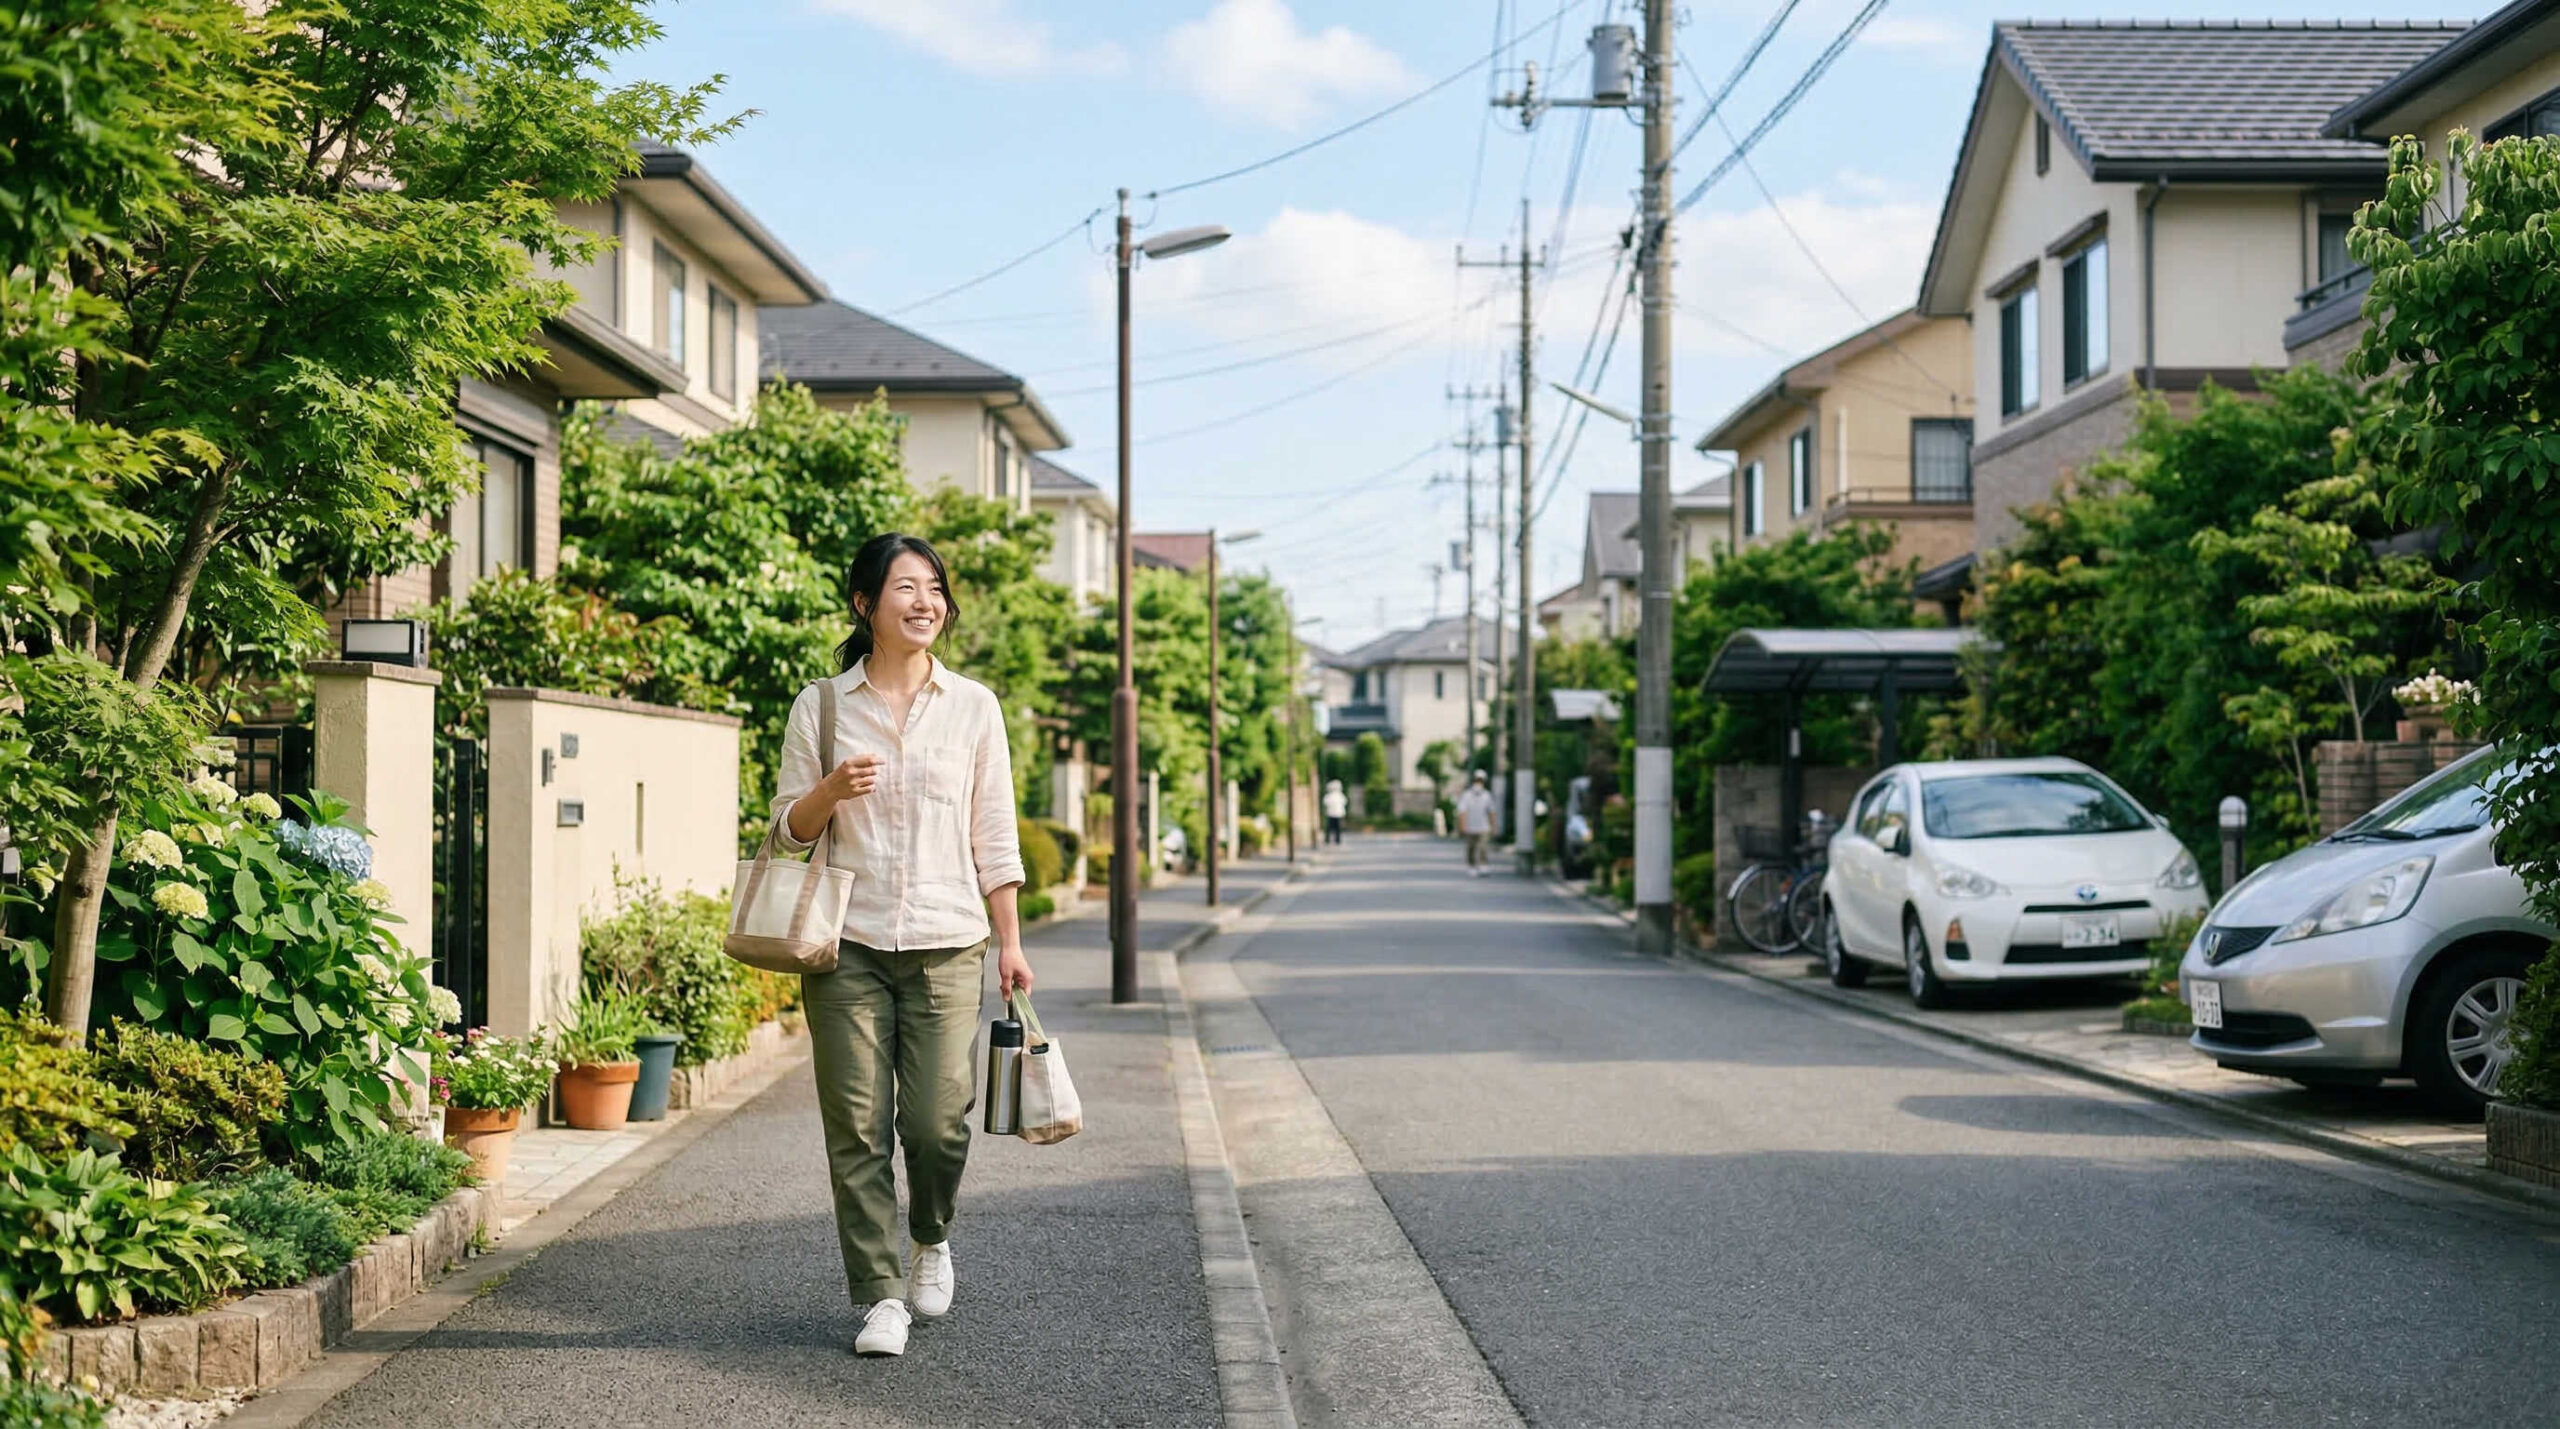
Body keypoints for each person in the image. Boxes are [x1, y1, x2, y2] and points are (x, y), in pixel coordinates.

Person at [774, 532, 1034, 1360]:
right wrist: (828, 790)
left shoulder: (974, 704)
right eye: (905, 588)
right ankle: (880, 1294)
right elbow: (786, 831)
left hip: (948, 937)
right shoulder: (821, 705)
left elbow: (993, 829)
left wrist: (1011, 942)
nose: (925, 602)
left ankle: (931, 1232)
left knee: (934, 1123)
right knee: (854, 1124)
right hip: (844, 943)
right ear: (865, 604)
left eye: (934, 588)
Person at [1454, 769, 1499, 876]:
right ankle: (1471, 866)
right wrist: (1462, 825)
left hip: (1483, 826)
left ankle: (1483, 865)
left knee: (1483, 847)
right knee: (1471, 848)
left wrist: (1493, 826)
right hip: (1470, 826)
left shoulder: (1487, 795)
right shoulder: (1467, 795)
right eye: (1477, 779)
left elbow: (1491, 812)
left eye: (1481, 780)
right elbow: (1462, 811)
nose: (1479, 782)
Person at [1321, 778, 1348, 844]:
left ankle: (1329, 839)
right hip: (1336, 814)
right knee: (1336, 828)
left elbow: (1325, 803)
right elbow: (1344, 803)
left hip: (1332, 813)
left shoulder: (1330, 796)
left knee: (1330, 828)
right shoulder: (1340, 795)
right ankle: (1336, 840)